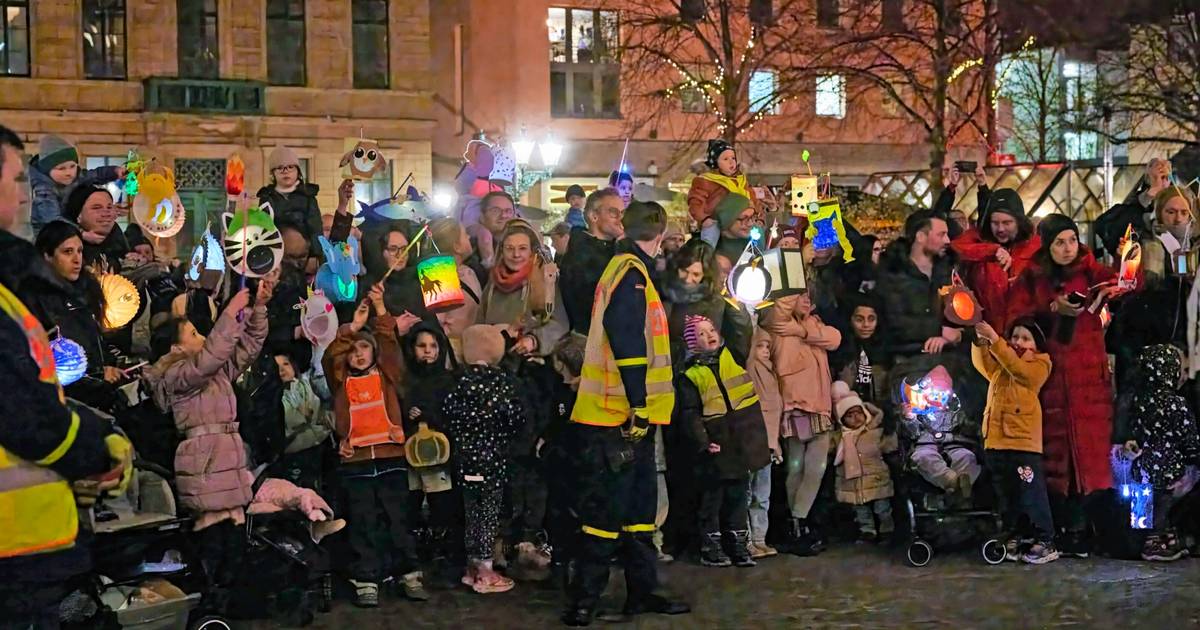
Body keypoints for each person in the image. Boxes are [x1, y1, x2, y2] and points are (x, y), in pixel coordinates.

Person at [0, 125, 133, 629]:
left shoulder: (15, 283)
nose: (26, 196)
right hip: (14, 553)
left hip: (28, 551)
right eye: (16, 179)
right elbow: (26, 412)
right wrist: (101, 447)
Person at [563, 201, 689, 626]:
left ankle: (643, 590)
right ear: (661, 230)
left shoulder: (625, 268)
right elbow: (629, 342)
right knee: (605, 513)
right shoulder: (632, 274)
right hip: (617, 415)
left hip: (624, 413)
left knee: (638, 512)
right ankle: (585, 598)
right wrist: (637, 405)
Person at [143, 281, 271, 606]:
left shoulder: (212, 373)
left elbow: (248, 347)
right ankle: (208, 604)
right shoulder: (178, 377)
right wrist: (231, 312)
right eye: (194, 336)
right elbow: (215, 352)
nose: (203, 339)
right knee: (213, 538)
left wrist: (257, 309)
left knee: (234, 538)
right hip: (205, 463)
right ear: (174, 348)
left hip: (226, 460)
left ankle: (229, 604)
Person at [1007, 214, 1123, 557]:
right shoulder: (1032, 277)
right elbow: (1014, 317)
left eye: (1072, 240)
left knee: (1091, 456)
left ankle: (1088, 528)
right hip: (1051, 378)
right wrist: (1050, 308)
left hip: (1090, 381)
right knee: (1055, 455)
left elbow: (1129, 281)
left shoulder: (1092, 271)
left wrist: (1125, 262)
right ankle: (1061, 527)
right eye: (1059, 242)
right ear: (1048, 244)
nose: (1067, 247)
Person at [323, 286, 427, 607]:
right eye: (353, 349)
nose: (358, 353)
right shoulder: (340, 378)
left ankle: (409, 574)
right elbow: (331, 356)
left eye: (364, 348)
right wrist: (351, 328)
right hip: (356, 463)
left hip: (391, 457)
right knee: (363, 523)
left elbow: (389, 343)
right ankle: (367, 579)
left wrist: (381, 308)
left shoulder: (387, 374)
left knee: (398, 519)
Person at [676, 315, 769, 568]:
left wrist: (736, 307)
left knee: (738, 495)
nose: (709, 335)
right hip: (717, 442)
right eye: (701, 334)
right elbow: (690, 414)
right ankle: (712, 545)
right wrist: (703, 441)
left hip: (740, 439)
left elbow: (742, 332)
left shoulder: (733, 357)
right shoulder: (691, 376)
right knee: (713, 498)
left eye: (711, 330)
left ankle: (738, 544)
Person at [443, 324, 525, 594]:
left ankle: (471, 566)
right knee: (489, 513)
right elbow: (514, 418)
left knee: (471, 512)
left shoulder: (458, 383)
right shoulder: (502, 384)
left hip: (465, 461)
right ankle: (486, 571)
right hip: (493, 461)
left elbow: (448, 414)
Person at [759, 290, 842, 555]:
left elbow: (835, 338)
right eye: (800, 296)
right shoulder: (778, 327)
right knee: (796, 467)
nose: (806, 301)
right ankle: (798, 524)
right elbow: (777, 314)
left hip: (819, 405)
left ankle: (799, 520)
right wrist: (789, 287)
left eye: (809, 298)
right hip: (796, 405)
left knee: (815, 467)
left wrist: (804, 331)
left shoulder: (813, 325)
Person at [972, 318, 1058, 564]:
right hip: (997, 440)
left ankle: (1045, 539)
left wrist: (997, 342)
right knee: (1007, 494)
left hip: (1022, 442)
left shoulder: (1040, 363)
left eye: (1025, 338)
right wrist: (980, 342)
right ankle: (1016, 536)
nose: (1018, 342)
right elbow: (984, 366)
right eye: (1016, 336)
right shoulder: (1003, 360)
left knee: (1031, 492)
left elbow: (1022, 373)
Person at [400, 321, 462, 578]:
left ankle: (442, 555)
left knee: (442, 505)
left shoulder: (449, 380)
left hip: (441, 458)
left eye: (433, 346)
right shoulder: (405, 380)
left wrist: (431, 416)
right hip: (410, 454)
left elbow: (455, 415)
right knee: (411, 503)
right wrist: (409, 414)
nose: (428, 351)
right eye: (422, 345)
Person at [1127, 344, 1200, 562]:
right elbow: (1188, 436)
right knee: (1163, 505)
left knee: (1141, 510)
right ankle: (1156, 542)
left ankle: (1136, 541)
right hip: (1168, 468)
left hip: (1140, 467)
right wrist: (1194, 458)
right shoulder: (1177, 404)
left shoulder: (1138, 401)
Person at [951, 188, 1041, 331]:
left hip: (1024, 335)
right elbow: (956, 247)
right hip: (986, 331)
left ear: (1019, 221)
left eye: (1007, 223)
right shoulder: (978, 239)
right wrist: (992, 250)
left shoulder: (1036, 247)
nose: (1000, 229)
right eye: (995, 223)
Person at [878, 209, 960, 361]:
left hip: (948, 357)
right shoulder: (893, 272)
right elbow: (895, 323)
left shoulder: (949, 272)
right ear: (920, 236)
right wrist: (941, 331)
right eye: (941, 234)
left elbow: (965, 316)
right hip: (904, 358)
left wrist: (957, 334)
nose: (948, 240)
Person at [478, 218, 567, 356]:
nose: (516, 255)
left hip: (529, 362)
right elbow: (479, 321)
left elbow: (560, 324)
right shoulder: (493, 283)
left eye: (522, 248)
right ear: (502, 250)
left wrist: (534, 340)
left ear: (532, 251)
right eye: (510, 248)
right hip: (493, 360)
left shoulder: (546, 282)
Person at [662, 238, 752, 364]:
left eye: (696, 274)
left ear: (706, 275)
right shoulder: (665, 292)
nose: (688, 279)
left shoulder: (714, 302)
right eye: (684, 271)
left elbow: (737, 337)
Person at [831, 381, 896, 543]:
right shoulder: (840, 438)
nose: (855, 418)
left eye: (858, 412)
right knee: (861, 510)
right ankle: (867, 531)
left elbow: (889, 446)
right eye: (849, 416)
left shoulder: (875, 432)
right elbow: (827, 447)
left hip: (876, 480)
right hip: (853, 483)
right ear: (842, 420)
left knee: (883, 508)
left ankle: (887, 530)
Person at [29, 134, 123, 234]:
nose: (69, 172)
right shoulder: (44, 190)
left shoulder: (77, 176)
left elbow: (96, 175)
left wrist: (115, 172)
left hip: (71, 225)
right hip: (47, 235)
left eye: (72, 166)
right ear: (47, 170)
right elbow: (53, 220)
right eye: (61, 168)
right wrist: (81, 233)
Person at [560, 188, 622, 335]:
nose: (621, 219)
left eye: (623, 213)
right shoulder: (579, 255)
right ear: (594, 216)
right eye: (614, 212)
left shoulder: (618, 249)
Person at [745, 329, 781, 558]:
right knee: (747, 494)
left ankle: (760, 538)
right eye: (760, 346)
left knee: (762, 495)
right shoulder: (751, 370)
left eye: (768, 346)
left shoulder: (771, 374)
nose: (765, 351)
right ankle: (746, 539)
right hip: (752, 442)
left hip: (769, 443)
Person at [273, 351, 333, 490]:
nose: (282, 369)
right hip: (295, 450)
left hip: (319, 444)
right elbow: (288, 421)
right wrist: (303, 415)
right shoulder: (274, 395)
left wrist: (309, 412)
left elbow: (316, 408)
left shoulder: (305, 385)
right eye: (276, 367)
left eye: (286, 364)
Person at [1094, 157, 1172, 257]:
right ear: (1148, 179)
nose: (1162, 182)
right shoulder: (1134, 206)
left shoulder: (1176, 202)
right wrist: (1150, 195)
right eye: (1157, 177)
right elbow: (1122, 233)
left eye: (1166, 177)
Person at [429, 217, 483, 360]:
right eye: (465, 234)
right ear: (456, 246)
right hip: (452, 356)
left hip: (472, 348)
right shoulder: (439, 275)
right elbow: (440, 324)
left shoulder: (468, 272)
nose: (469, 236)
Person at [257, 146, 324, 260]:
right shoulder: (267, 197)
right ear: (273, 174)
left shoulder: (308, 197)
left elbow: (315, 229)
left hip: (304, 258)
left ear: (298, 171)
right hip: (277, 258)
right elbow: (263, 229)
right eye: (280, 168)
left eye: (290, 167)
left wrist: (315, 256)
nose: (286, 171)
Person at [687, 139, 758, 247]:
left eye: (733, 158)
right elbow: (696, 201)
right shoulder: (706, 180)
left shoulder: (741, 180)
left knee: (756, 236)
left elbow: (752, 199)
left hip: (740, 221)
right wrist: (704, 218)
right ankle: (706, 256)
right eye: (725, 159)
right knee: (710, 236)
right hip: (715, 220)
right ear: (715, 163)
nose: (731, 162)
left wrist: (757, 214)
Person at [834, 293, 891, 406]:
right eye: (859, 319)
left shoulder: (887, 349)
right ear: (850, 320)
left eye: (871, 319)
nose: (866, 325)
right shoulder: (840, 349)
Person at [63, 184, 128, 272]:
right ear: (78, 216)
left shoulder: (119, 239)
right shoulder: (64, 247)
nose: (106, 213)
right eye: (96, 208)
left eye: (109, 207)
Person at [711, 192, 757, 267]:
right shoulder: (710, 248)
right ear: (727, 219)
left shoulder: (756, 238)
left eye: (752, 216)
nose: (750, 223)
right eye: (744, 218)